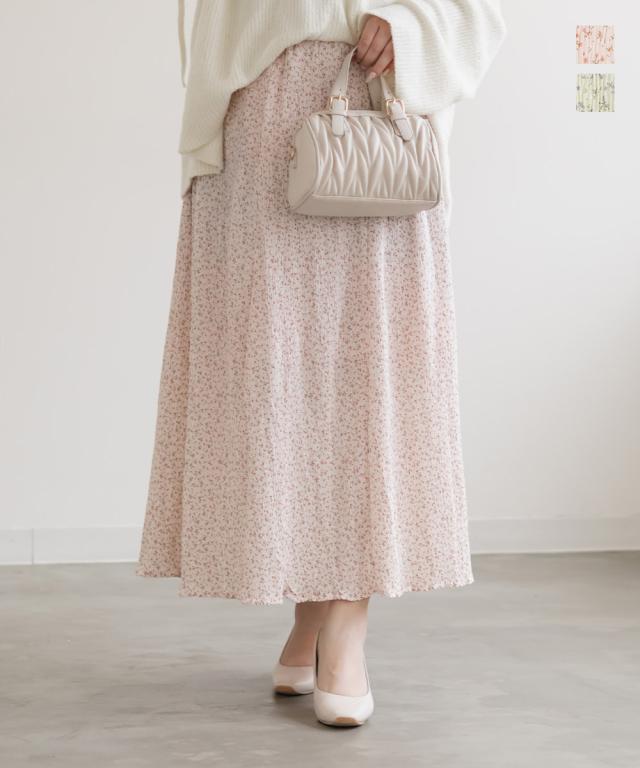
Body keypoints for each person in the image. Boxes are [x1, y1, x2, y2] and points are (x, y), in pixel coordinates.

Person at [136, 0, 507, 728]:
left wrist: (411, 20)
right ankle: (314, 612)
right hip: (258, 111)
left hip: (378, 107)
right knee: (276, 381)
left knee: (366, 379)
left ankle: (343, 624)